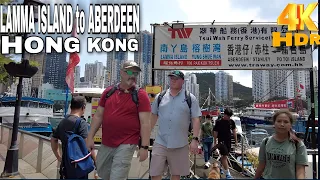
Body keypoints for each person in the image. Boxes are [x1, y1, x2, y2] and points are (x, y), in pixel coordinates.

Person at [86, 61, 152, 180]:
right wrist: (90, 137)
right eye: (130, 72)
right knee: (102, 174)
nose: (133, 76)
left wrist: (144, 147)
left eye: (135, 73)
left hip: (127, 143)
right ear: (121, 72)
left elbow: (145, 123)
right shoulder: (108, 92)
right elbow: (98, 115)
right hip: (106, 142)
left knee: (117, 176)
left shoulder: (141, 95)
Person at [150, 70, 202, 180]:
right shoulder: (160, 96)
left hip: (180, 143)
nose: (173, 81)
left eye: (176, 79)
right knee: (155, 173)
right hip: (160, 142)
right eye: (171, 78)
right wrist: (145, 136)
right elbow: (153, 116)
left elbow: (196, 119)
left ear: (182, 81)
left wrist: (195, 140)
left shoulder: (190, 98)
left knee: (176, 174)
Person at [254, 109, 308, 179]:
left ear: (290, 125)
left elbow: (300, 170)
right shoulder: (266, 142)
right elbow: (261, 166)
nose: (282, 124)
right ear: (274, 123)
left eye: (286, 122)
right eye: (279, 121)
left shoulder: (298, 144)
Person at [50, 96, 91, 179]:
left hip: (65, 165)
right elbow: (87, 143)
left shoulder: (62, 122)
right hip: (79, 165)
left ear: (71, 106)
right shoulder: (81, 123)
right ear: (83, 107)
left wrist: (58, 157)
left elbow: (54, 140)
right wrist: (95, 160)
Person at [213, 108, 237, 179]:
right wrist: (215, 142)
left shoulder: (231, 122)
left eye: (230, 116)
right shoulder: (219, 122)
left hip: (228, 141)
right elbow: (215, 132)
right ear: (224, 114)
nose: (228, 118)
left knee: (224, 156)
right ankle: (228, 174)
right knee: (224, 157)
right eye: (227, 116)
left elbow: (234, 131)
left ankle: (221, 168)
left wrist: (236, 141)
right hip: (221, 142)